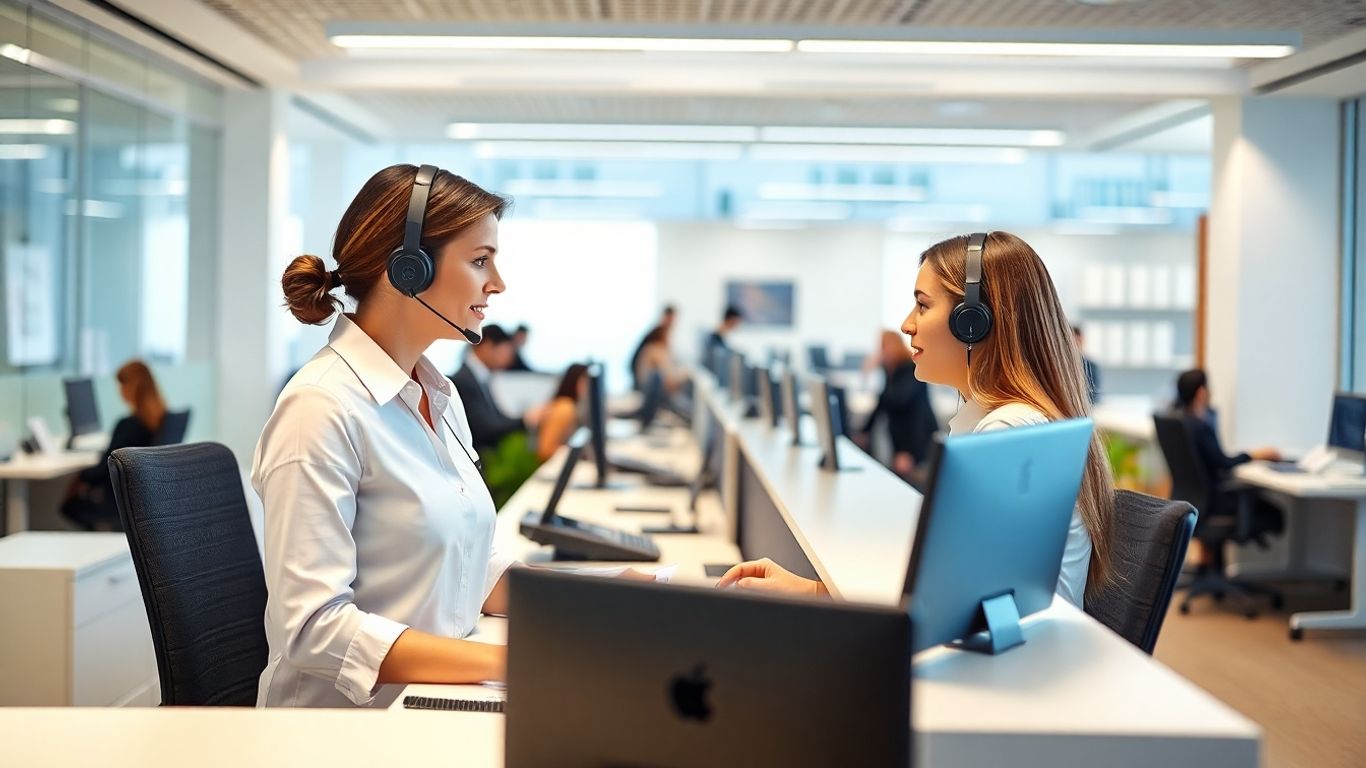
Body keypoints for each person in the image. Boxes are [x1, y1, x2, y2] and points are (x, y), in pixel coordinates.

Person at [258, 164, 647, 708]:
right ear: (408, 268)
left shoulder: (437, 395)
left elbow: (469, 565)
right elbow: (314, 628)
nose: (498, 283)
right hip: (345, 732)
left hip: (428, 701)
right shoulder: (320, 409)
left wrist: (584, 598)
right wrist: (514, 662)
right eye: (480, 260)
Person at [719, 232, 1116, 610]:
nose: (907, 324)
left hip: (1009, 669)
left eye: (923, 305)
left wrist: (817, 595)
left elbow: (961, 606)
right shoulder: (991, 423)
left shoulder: (1010, 434)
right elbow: (955, 589)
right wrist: (814, 591)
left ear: (973, 322)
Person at [1172, 369, 1284, 539]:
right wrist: (1257, 455)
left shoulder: (1180, 424)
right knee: (1273, 512)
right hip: (1213, 502)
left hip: (1194, 500)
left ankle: (1210, 562)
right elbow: (1223, 462)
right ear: (1201, 392)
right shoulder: (1200, 427)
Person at [61, 360, 167, 531]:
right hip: (144, 499)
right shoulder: (161, 420)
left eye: (121, 385)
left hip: (119, 502)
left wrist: (80, 477)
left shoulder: (128, 425)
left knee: (69, 506)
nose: (119, 391)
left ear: (131, 387)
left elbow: (104, 470)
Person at [853, 330, 938, 484]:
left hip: (916, 440)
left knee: (911, 484)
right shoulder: (891, 370)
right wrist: (864, 431)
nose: (881, 353)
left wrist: (909, 452)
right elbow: (882, 403)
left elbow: (905, 407)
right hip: (900, 438)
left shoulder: (911, 369)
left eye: (883, 347)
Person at [451, 323, 541, 451]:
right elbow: (484, 428)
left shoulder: (480, 377)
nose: (509, 358)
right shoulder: (464, 380)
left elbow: (495, 418)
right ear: (487, 346)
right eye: (505, 351)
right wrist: (524, 420)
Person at [536, 363, 590, 462]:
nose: (589, 387)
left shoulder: (570, 405)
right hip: (550, 466)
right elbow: (545, 450)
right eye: (585, 381)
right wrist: (573, 453)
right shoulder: (565, 407)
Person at [629, 305, 675, 391]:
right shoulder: (658, 334)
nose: (672, 323)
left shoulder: (661, 332)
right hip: (641, 380)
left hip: (642, 378)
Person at [634, 323, 686, 395]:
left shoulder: (649, 348)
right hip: (651, 391)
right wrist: (684, 376)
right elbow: (669, 376)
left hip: (645, 389)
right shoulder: (655, 350)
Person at [1072, 325, 1101, 405]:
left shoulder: (1092, 367)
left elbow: (1095, 395)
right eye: (1074, 341)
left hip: (1085, 408)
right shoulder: (1062, 366)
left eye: (1079, 341)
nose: (1077, 345)